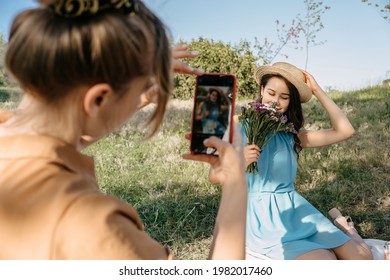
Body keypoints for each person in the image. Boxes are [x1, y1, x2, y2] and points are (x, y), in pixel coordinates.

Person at [0, 0, 247, 260]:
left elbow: (57, 140)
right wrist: (235, 181)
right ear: (98, 100)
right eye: (141, 90)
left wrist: (136, 90)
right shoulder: (95, 227)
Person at [236, 62, 373, 260]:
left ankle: (347, 228)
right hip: (264, 218)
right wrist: (240, 161)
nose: (275, 102)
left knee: (363, 258)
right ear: (261, 90)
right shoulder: (240, 125)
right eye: (271, 93)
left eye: (284, 97)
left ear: (291, 102)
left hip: (296, 210)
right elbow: (215, 176)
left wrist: (317, 90)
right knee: (326, 262)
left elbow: (345, 131)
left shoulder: (291, 135)